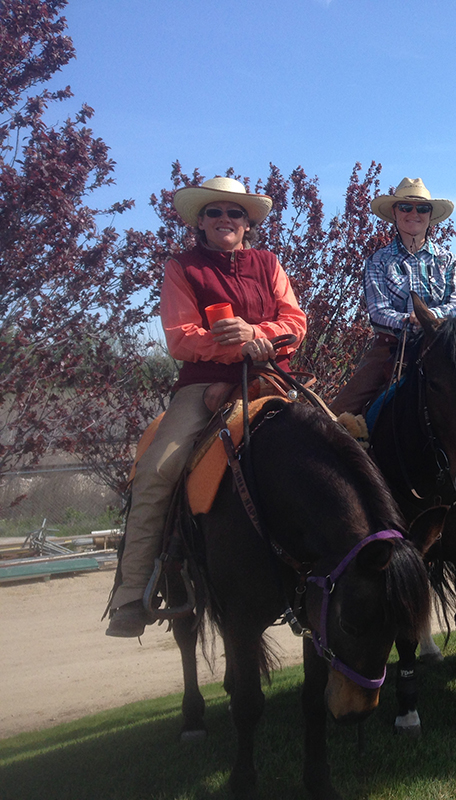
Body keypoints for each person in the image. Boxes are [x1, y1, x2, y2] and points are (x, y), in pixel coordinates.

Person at [107, 177, 308, 637]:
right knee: (158, 469)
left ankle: (344, 565)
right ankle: (132, 592)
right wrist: (234, 346)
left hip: (269, 377)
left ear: (247, 222)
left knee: (336, 440)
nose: (225, 220)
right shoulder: (182, 267)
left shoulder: (268, 263)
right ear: (200, 221)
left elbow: (295, 320)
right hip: (202, 387)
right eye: (214, 213)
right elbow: (180, 337)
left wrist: (257, 337)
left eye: (234, 213)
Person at [330, 177, 456, 535]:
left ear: (431, 216)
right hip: (393, 347)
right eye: (406, 207)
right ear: (395, 213)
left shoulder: (450, 261)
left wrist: (433, 322)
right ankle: (341, 506)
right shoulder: (378, 261)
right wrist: (411, 320)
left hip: (444, 348)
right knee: (338, 414)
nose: (414, 214)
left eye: (421, 208)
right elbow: (377, 311)